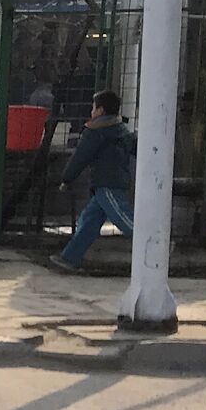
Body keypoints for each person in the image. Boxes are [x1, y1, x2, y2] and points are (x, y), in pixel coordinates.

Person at [51, 90, 136, 273]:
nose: (91, 111)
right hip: (112, 182)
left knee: (124, 219)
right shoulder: (121, 129)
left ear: (100, 110)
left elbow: (80, 157)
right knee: (89, 221)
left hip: (107, 184)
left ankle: (154, 245)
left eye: (93, 107)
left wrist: (66, 178)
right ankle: (69, 258)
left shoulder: (95, 132)